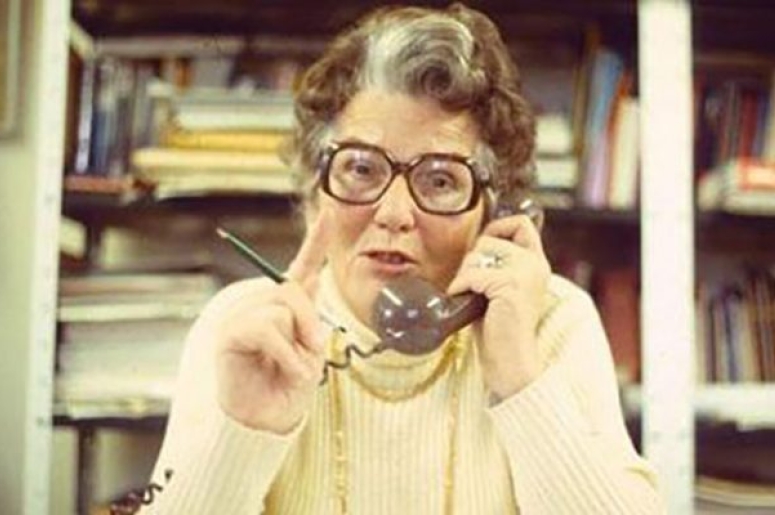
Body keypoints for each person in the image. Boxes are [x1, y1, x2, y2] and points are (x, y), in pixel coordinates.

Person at [137, 3, 665, 514]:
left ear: (494, 211)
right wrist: (241, 433)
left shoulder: (550, 322)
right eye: (361, 169)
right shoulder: (248, 330)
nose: (393, 214)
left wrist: (520, 380)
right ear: (315, 191)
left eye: (440, 180)